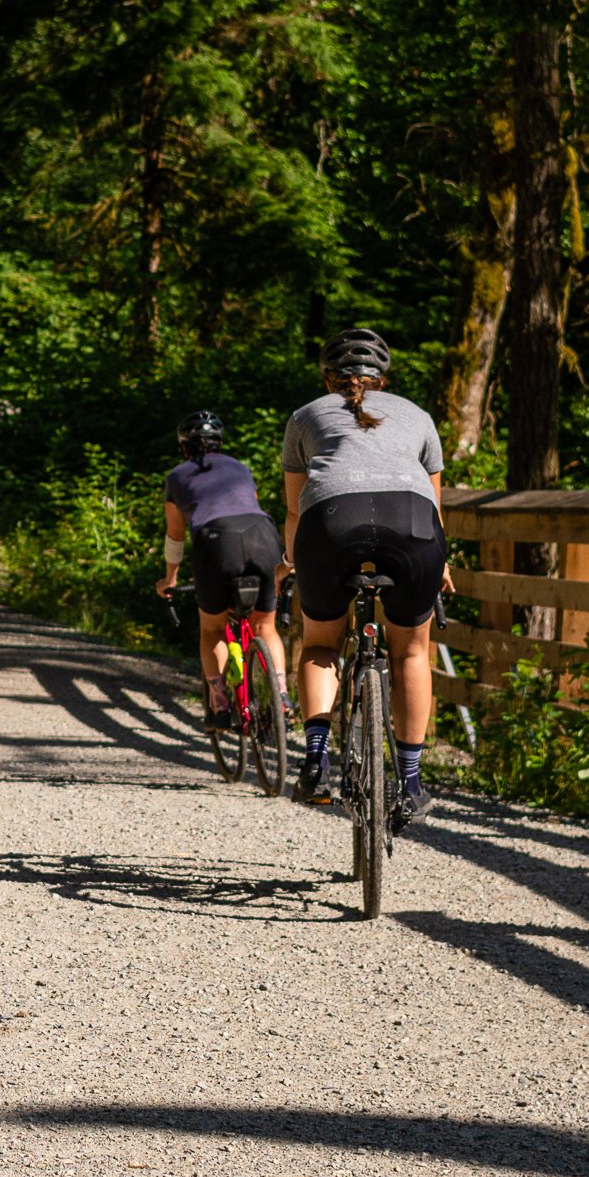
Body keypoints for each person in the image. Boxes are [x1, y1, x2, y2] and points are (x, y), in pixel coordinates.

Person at [280, 326, 451, 823]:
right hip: (414, 527)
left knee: (320, 645)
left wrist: (294, 563)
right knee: (413, 650)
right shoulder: (418, 416)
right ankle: (412, 783)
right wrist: (442, 567)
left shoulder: (305, 416)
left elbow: (295, 510)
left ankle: (315, 761)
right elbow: (435, 507)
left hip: (330, 526)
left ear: (328, 377)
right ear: (383, 378)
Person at [155, 410, 287, 727]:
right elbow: (249, 505)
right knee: (265, 626)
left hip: (215, 542)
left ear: (184, 446)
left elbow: (175, 535)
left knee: (212, 628)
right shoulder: (239, 468)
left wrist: (169, 578)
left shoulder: (177, 477)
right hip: (262, 534)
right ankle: (282, 695)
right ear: (219, 443)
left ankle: (218, 702)